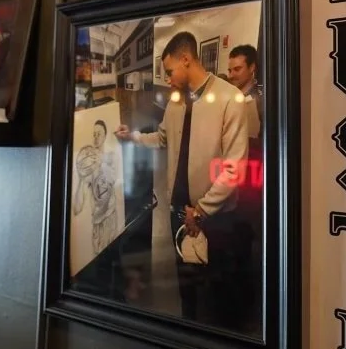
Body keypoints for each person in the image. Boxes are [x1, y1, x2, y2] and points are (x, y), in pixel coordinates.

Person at [116, 31, 250, 325]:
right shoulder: (177, 103)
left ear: (186, 60)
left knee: (216, 295)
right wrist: (133, 136)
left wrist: (201, 211)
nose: (167, 79)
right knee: (187, 292)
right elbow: (162, 138)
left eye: (169, 71)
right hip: (180, 215)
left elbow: (234, 167)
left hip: (214, 220)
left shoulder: (231, 99)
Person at [73, 118, 119, 257]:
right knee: (99, 264)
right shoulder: (88, 165)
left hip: (110, 217)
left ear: (105, 135)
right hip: (97, 224)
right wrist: (81, 180)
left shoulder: (111, 157)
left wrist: (101, 162)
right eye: (94, 134)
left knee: (112, 259)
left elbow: (113, 179)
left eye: (99, 133)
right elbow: (76, 209)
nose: (96, 137)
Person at [227, 44, 263, 140]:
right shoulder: (228, 96)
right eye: (230, 71)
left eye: (237, 69)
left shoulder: (261, 99)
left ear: (251, 68)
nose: (231, 75)